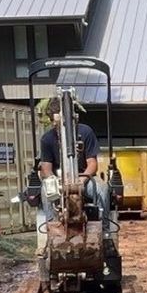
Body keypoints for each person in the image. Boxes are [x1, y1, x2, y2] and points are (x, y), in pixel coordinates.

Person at [36, 99, 102, 252]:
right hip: (59, 181)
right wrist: (53, 181)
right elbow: (46, 167)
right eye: (53, 121)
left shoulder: (85, 132)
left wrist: (83, 179)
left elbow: (92, 163)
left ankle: (104, 231)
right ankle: (51, 233)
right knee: (46, 192)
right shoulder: (47, 139)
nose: (56, 125)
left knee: (102, 190)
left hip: (85, 177)